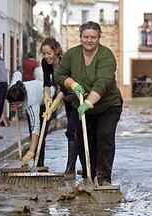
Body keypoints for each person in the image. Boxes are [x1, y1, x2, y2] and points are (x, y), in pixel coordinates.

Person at [55, 21, 123, 186]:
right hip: (80, 105)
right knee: (84, 141)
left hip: (107, 105)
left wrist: (88, 103)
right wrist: (73, 84)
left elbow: (103, 82)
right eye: (86, 37)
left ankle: (104, 177)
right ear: (81, 37)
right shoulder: (72, 55)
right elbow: (59, 74)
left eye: (93, 37)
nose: (89, 40)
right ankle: (89, 176)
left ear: (99, 37)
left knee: (105, 136)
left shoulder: (106, 55)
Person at [41, 37, 82, 179]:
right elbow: (47, 82)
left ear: (56, 51)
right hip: (65, 99)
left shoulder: (66, 62)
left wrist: (53, 106)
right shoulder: (45, 63)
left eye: (49, 53)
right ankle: (84, 166)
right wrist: (47, 98)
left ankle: (71, 169)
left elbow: (64, 88)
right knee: (76, 132)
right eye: (44, 54)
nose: (46, 57)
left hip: (77, 97)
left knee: (73, 130)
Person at [7, 71, 59, 167]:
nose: (15, 107)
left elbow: (36, 127)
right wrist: (15, 105)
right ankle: (34, 160)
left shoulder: (31, 101)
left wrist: (31, 151)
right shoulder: (13, 88)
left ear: (22, 100)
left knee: (40, 134)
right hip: (36, 90)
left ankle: (39, 165)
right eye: (12, 104)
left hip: (48, 98)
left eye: (17, 104)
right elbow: (17, 73)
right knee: (32, 133)